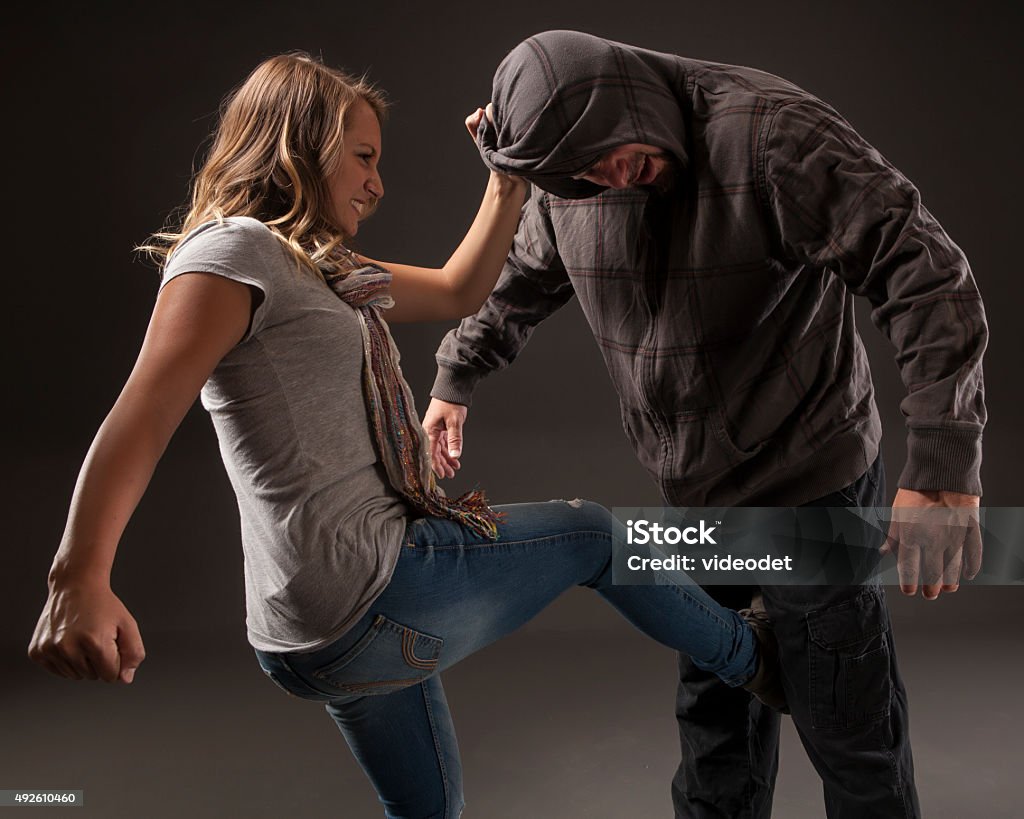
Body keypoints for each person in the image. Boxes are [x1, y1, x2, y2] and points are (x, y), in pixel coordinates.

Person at [27, 52, 788, 819]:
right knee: (594, 533)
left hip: (317, 631)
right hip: (374, 590)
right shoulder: (235, 252)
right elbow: (143, 411)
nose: (377, 182)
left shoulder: (322, 269)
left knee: (428, 811)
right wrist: (77, 578)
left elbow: (462, 287)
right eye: (362, 157)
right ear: (300, 142)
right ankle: (760, 661)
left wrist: (505, 178)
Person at [422, 30, 988, 819]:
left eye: (608, 153)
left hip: (810, 481)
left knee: (848, 724)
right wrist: (459, 373)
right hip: (696, 495)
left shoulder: (769, 136)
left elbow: (927, 272)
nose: (608, 177)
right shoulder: (567, 176)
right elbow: (523, 275)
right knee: (714, 726)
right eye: (580, 175)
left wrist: (941, 464)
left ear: (625, 97)